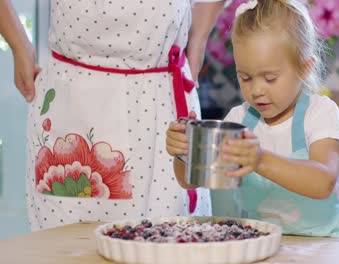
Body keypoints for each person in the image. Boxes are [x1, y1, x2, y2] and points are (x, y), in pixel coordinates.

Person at [0, 0, 228, 231]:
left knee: (169, 242)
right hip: (72, 105)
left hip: (162, 106)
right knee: (67, 246)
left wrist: (198, 38)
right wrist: (19, 45)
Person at [166, 0, 339, 237]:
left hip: (325, 248)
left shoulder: (320, 113)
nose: (256, 90)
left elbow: (323, 181)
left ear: (304, 68)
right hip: (262, 245)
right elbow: (191, 181)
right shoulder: (240, 119)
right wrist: (185, 152)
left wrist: (260, 160)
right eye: (245, 77)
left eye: (270, 78)